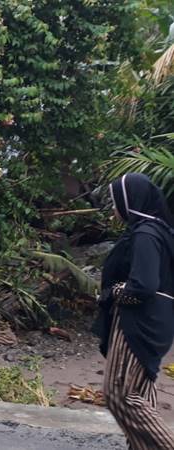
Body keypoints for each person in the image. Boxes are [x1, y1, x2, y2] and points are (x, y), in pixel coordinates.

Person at [92, 173, 174, 449]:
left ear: (130, 200)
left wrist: (115, 292)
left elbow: (143, 286)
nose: (114, 208)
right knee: (139, 389)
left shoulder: (145, 234)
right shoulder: (160, 230)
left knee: (120, 394)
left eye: (116, 200)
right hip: (157, 319)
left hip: (139, 321)